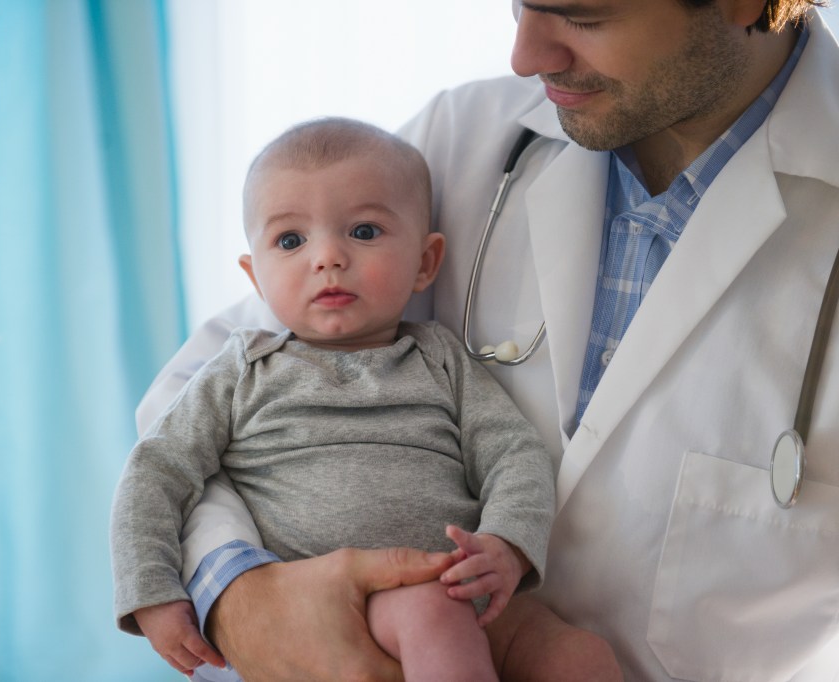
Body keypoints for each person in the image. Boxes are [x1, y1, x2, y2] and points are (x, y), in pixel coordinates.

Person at [139, 1, 839, 679]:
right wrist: (237, 589)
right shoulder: (467, 141)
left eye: (581, 14)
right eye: (520, 3)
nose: (526, 55)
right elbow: (198, 395)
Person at [113, 117, 620, 681]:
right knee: (431, 613)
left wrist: (506, 544)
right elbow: (156, 469)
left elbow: (513, 454)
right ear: (255, 278)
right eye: (290, 241)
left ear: (426, 263)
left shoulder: (441, 360)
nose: (327, 256)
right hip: (338, 611)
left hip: (467, 590)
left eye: (364, 232)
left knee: (580, 657)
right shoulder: (242, 369)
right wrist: (150, 589)